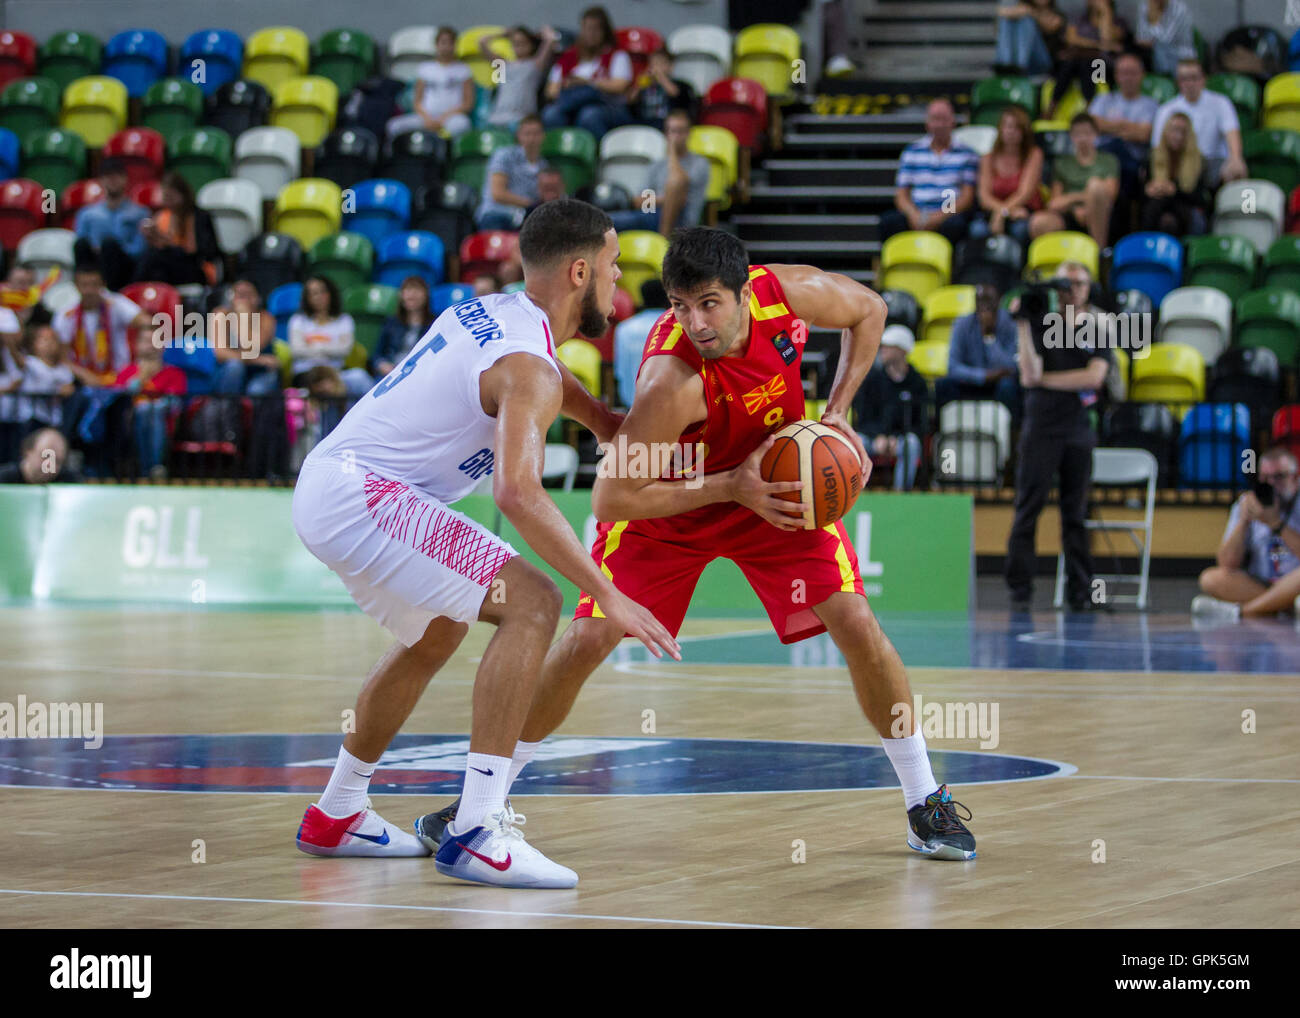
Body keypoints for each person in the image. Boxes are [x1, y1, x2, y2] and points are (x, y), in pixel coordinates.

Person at [414, 227, 980, 863]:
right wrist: (729, 486)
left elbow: (870, 311)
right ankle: (478, 804)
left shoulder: (786, 294)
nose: (696, 322)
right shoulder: (671, 380)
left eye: (709, 303)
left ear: (744, 292)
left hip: (772, 491)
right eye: (680, 306)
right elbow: (612, 499)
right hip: (669, 505)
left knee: (856, 621)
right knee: (589, 638)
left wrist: (837, 412)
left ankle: (924, 797)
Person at [291, 198, 680, 886]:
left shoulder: (497, 309)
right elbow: (517, 494)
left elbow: (542, 375)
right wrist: (608, 594)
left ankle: (339, 811)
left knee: (438, 630)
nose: (620, 282)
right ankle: (476, 829)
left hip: (335, 484)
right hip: (364, 493)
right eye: (615, 267)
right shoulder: (527, 363)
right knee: (533, 601)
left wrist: (600, 421)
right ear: (582, 272)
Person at [1005, 260, 1112, 610]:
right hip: (1040, 427)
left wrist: (1047, 383)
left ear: (1088, 288)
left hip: (1077, 429)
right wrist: (1022, 323)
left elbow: (1094, 377)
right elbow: (1027, 374)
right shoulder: (1039, 322)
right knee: (1028, 507)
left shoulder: (1098, 327)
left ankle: (1080, 592)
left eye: (1080, 283)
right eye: (1066, 283)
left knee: (1075, 513)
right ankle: (1020, 590)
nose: (1073, 289)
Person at [1193, 448, 1300, 621]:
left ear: (1295, 478)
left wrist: (1276, 524)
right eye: (1265, 478)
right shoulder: (1248, 503)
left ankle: (1243, 611)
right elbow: (1226, 563)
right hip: (1261, 584)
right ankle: (1280, 604)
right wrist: (1243, 521)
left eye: (1279, 477)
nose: (1271, 485)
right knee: (1210, 578)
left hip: (1296, 581)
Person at [879, 99, 977, 245]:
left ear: (953, 122)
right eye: (935, 119)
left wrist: (939, 217)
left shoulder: (966, 153)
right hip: (917, 210)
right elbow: (901, 194)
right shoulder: (912, 151)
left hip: (948, 211)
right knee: (889, 221)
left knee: (957, 225)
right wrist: (914, 215)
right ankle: (889, 266)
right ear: (927, 123)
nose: (939, 125)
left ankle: (951, 267)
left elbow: (967, 197)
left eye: (943, 119)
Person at [607, 109, 711, 236]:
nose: (676, 136)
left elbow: (680, 191)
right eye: (672, 131)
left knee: (675, 185)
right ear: (666, 134)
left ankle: (664, 241)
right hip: (651, 215)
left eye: (681, 131)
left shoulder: (699, 163)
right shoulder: (656, 165)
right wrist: (665, 199)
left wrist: (672, 152)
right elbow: (641, 202)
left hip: (683, 219)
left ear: (688, 133)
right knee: (606, 222)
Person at [53, 260, 152, 387]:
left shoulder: (116, 304)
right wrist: (85, 375)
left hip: (119, 377)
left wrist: (143, 359)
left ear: (103, 285)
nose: (89, 290)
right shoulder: (66, 315)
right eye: (84, 285)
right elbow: (62, 357)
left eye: (94, 285)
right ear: (76, 286)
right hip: (82, 381)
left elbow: (147, 323)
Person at [852, 324, 928, 490]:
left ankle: (900, 495)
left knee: (911, 444)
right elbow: (863, 417)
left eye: (889, 346)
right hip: (873, 438)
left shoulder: (917, 384)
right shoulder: (872, 380)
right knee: (858, 442)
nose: (883, 350)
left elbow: (920, 423)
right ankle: (856, 493)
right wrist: (878, 436)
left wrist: (895, 438)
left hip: (901, 439)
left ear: (903, 350)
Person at [540, 6, 633, 141]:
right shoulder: (568, 57)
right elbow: (551, 91)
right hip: (572, 106)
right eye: (587, 28)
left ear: (604, 31)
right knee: (551, 114)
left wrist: (587, 83)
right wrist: (568, 85)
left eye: (596, 29)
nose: (591, 33)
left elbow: (620, 85)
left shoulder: (617, 55)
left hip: (609, 107)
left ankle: (598, 157)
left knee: (589, 115)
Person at [1151, 59, 1248, 187]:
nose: (1190, 83)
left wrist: (1236, 157)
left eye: (1194, 78)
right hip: (1181, 161)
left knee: (1236, 169)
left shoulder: (1220, 102)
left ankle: (1228, 206)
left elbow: (1232, 132)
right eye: (1184, 79)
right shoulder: (1166, 109)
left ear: (1203, 79)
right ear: (1178, 82)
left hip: (1211, 161)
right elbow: (1158, 145)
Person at [1029, 113, 1119, 247]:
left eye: (1087, 133)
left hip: (1100, 214)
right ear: (1071, 136)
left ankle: (1098, 255)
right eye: (1078, 134)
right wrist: (1075, 207)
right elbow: (1055, 203)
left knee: (1095, 186)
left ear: (1096, 134)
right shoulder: (1062, 163)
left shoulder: (1108, 161)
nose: (1083, 138)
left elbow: (1109, 195)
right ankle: (1052, 263)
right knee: (1038, 222)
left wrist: (1087, 205)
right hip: (1069, 214)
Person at [937, 283, 1022, 422]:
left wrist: (989, 337)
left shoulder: (1011, 323)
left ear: (999, 300)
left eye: (989, 300)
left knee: (1009, 387)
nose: (984, 306)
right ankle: (947, 432)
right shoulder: (962, 324)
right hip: (973, 381)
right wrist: (983, 376)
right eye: (980, 300)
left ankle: (1011, 434)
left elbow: (1011, 366)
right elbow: (952, 367)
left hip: (1000, 383)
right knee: (944, 384)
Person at [1088, 51, 1159, 203]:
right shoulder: (1103, 99)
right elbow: (1092, 126)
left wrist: (1109, 127)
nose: (1128, 78)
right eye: (1124, 73)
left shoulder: (1150, 105)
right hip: (1101, 157)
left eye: (1133, 73)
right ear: (1116, 76)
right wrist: (1128, 127)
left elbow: (1143, 134)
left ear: (1142, 75)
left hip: (1132, 162)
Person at [115, 328, 187, 478]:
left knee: (150, 410)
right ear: (137, 345)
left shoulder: (174, 373)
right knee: (144, 410)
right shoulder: (126, 372)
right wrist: (141, 377)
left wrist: (153, 406)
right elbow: (120, 400)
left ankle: (152, 469)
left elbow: (175, 404)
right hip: (129, 427)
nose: (152, 345)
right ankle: (150, 469)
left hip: (165, 425)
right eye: (147, 341)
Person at [969, 105, 1043, 248]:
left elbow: (1025, 193)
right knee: (977, 230)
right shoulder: (987, 158)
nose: (1011, 132)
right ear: (1000, 129)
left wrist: (1001, 213)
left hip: (1023, 210)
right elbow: (984, 197)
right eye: (1008, 126)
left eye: (1017, 128)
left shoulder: (1034, 154)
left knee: (1020, 230)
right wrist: (1002, 212)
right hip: (998, 211)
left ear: (1024, 132)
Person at [287, 276, 372, 398]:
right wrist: (329, 348)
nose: (319, 297)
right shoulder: (298, 321)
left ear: (331, 293)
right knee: (325, 386)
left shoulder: (344, 320)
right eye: (313, 293)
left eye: (322, 291)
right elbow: (297, 350)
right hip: (306, 373)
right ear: (307, 298)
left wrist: (314, 347)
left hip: (336, 372)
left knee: (360, 377)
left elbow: (344, 349)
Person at [72, 157, 149, 292]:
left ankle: (110, 292)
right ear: (101, 180)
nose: (113, 180)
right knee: (82, 244)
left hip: (124, 267)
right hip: (95, 264)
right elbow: (80, 244)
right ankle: (84, 289)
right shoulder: (87, 214)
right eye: (108, 176)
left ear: (125, 179)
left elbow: (139, 249)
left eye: (117, 176)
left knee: (109, 245)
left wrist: (115, 248)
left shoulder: (140, 213)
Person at [1044, 0, 1129, 120]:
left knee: (1090, 63)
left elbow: (1107, 38)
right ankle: (1053, 105)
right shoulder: (1079, 19)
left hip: (1103, 69)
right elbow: (1072, 39)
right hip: (1077, 63)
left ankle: (1090, 107)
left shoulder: (1118, 22)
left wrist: (1105, 12)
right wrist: (1097, 45)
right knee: (1070, 64)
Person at [134, 171, 220, 287]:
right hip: (169, 268)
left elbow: (203, 251)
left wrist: (169, 244)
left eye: (170, 196)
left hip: (195, 267)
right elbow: (158, 247)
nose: (168, 201)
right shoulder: (161, 216)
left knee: (157, 258)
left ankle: (134, 287)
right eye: (165, 197)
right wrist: (152, 236)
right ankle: (147, 295)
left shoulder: (199, 216)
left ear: (182, 194)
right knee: (155, 266)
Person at [392, 26, 475, 140]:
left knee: (462, 126)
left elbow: (468, 103)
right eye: (443, 42)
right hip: (426, 117)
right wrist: (427, 119)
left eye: (451, 43)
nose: (447, 47)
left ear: (456, 45)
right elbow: (417, 102)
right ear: (436, 45)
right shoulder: (425, 68)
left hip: (452, 118)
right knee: (394, 126)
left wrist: (444, 118)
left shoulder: (464, 70)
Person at [476, 114, 548, 231]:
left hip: (527, 218)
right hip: (497, 214)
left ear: (543, 136)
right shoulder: (504, 155)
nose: (531, 139)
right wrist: (531, 205)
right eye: (527, 134)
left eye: (536, 134)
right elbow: (497, 193)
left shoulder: (544, 166)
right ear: (519, 136)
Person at [1141, 112, 1209, 235]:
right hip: (1160, 208)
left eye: (1182, 132)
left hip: (1185, 208)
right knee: (1157, 209)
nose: (1178, 136)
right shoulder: (1152, 156)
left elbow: (1201, 198)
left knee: (1167, 212)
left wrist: (1174, 190)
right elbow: (1139, 190)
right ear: (1166, 132)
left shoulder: (1199, 161)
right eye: (1174, 130)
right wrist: (1148, 189)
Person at [482, 25, 559, 129]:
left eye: (523, 43)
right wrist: (503, 34)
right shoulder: (503, 65)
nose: (519, 46)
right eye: (515, 43)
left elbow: (550, 39)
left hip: (521, 119)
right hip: (497, 117)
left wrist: (540, 33)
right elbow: (482, 42)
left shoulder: (536, 65)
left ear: (531, 44)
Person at [211, 279, 280, 396]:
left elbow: (253, 347)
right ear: (230, 298)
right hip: (229, 371)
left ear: (258, 298)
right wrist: (257, 360)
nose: (244, 300)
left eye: (248, 295)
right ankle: (227, 409)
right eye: (240, 295)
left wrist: (244, 318)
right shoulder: (220, 314)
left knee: (256, 391)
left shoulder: (266, 318)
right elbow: (219, 353)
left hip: (260, 372)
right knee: (234, 367)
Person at [17, 322, 76, 429]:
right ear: (33, 344)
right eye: (43, 339)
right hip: (30, 419)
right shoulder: (29, 362)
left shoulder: (63, 369)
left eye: (53, 339)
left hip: (54, 420)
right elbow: (15, 356)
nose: (49, 343)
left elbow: (69, 389)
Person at [374, 276, 436, 376]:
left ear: (426, 295)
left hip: (421, 374)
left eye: (417, 290)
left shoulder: (435, 323)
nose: (411, 294)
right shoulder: (391, 322)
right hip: (392, 373)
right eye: (407, 290)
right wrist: (382, 365)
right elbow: (377, 355)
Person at [628, 49, 697, 130]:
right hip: (644, 121)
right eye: (653, 63)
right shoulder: (646, 85)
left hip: (665, 123)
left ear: (670, 66)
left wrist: (661, 77)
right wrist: (639, 85)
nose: (656, 67)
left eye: (660, 63)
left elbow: (675, 93)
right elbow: (630, 100)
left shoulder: (678, 84)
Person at [995, 0, 1065, 76]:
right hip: (1024, 60)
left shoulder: (1057, 13)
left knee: (1027, 21)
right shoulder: (1024, 9)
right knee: (1007, 20)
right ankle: (1006, 63)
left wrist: (1031, 13)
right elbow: (1000, 13)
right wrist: (1016, 13)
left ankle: (1018, 65)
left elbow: (1051, 26)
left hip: (1043, 61)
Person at [0, 426, 81, 484]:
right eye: (46, 456)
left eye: (58, 461)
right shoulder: (4, 480)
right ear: (27, 451)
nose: (50, 466)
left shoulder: (68, 484)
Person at [1134, 0, 1195, 76]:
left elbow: (1166, 40)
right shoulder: (1145, 6)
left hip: (1181, 55)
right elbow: (1140, 37)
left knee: (1161, 49)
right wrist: (1154, 41)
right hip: (1152, 54)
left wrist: (1153, 22)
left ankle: (1165, 77)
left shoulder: (1179, 9)